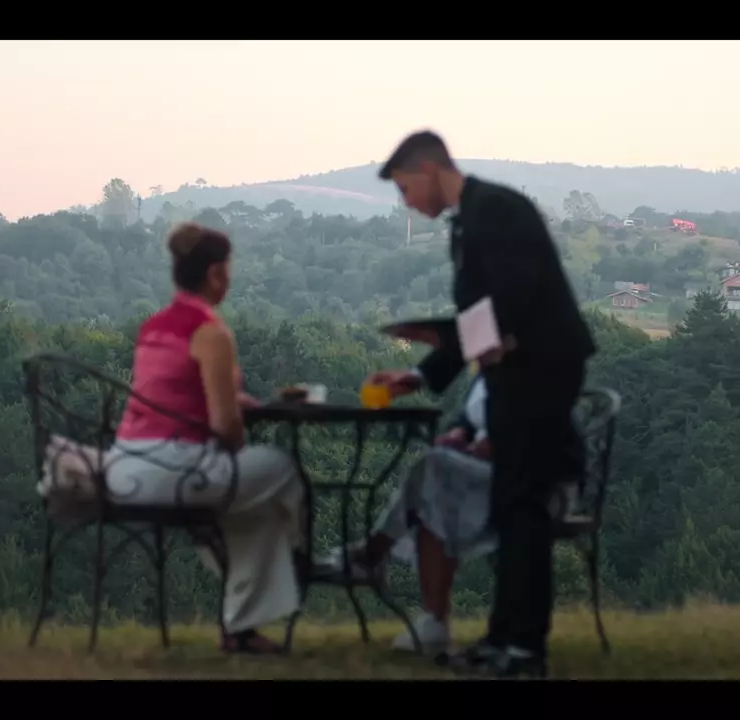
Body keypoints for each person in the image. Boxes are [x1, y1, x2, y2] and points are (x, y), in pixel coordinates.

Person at [366, 130, 596, 678]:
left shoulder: (498, 209)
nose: (406, 203)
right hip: (514, 371)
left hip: (540, 368)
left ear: (428, 169)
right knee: (512, 503)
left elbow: (511, 302)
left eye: (405, 188)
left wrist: (456, 339)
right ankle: (502, 640)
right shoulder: (468, 221)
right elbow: (481, 318)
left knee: (523, 504)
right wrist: (420, 376)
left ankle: (523, 649)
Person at [102, 222, 304, 655]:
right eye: (229, 269)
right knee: (282, 470)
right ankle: (299, 557)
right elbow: (227, 429)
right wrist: (234, 432)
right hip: (173, 472)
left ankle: (242, 630)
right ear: (215, 274)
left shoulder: (153, 326)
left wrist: (225, 398)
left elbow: (171, 393)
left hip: (124, 468)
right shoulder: (211, 332)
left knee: (258, 511)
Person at [322, 372, 497, 655]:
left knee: (432, 474)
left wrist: (501, 444)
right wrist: (460, 433)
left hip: (521, 479)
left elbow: (545, 428)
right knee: (431, 481)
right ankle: (430, 615)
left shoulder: (537, 370)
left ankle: (373, 553)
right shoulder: (488, 374)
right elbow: (469, 420)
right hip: (479, 475)